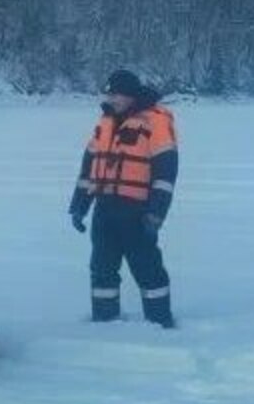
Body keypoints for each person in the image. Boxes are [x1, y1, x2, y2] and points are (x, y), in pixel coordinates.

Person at [68, 70, 178, 328]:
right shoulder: (105, 123)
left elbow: (166, 173)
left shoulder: (156, 122)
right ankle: (104, 323)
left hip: (137, 212)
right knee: (101, 268)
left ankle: (161, 324)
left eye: (116, 94)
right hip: (105, 210)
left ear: (130, 95)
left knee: (147, 268)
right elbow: (88, 169)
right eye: (109, 94)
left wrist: (155, 215)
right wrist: (79, 206)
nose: (112, 99)